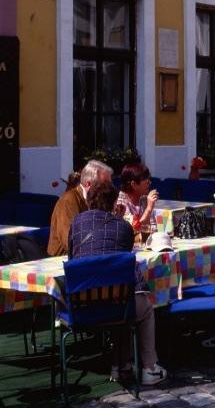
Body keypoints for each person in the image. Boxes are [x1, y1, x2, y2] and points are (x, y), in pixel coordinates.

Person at [68, 179, 167, 385]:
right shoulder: (123, 227)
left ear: (89, 200)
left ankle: (120, 365)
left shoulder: (76, 223)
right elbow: (123, 251)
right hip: (117, 305)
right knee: (140, 305)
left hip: (82, 306)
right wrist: (118, 218)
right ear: (114, 201)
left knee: (120, 300)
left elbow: (72, 255)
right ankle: (149, 368)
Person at [48, 160, 113, 256]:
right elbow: (70, 241)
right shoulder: (68, 201)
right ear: (88, 184)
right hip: (64, 261)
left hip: (92, 255)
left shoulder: (99, 201)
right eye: (105, 184)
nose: (109, 189)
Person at [116, 164, 158, 242]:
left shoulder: (144, 199)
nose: (150, 183)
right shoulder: (120, 203)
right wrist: (148, 209)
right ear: (134, 184)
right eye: (146, 180)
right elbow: (133, 230)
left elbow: (153, 228)